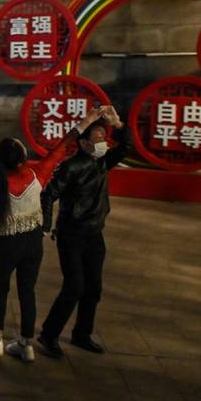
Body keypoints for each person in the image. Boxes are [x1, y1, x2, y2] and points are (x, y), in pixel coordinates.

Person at [0, 107, 105, 362]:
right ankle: (26, 344)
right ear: (22, 159)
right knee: (27, 291)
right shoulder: (37, 174)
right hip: (32, 243)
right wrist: (87, 120)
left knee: (0, 288)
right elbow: (62, 147)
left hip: (3, 243)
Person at [38, 106, 132, 359]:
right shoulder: (71, 167)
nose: (103, 142)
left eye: (105, 137)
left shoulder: (103, 162)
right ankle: (49, 335)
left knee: (93, 288)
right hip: (71, 235)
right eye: (98, 138)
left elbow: (126, 147)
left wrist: (118, 123)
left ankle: (82, 334)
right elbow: (48, 194)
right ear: (84, 143)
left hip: (95, 234)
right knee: (74, 287)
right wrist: (45, 226)